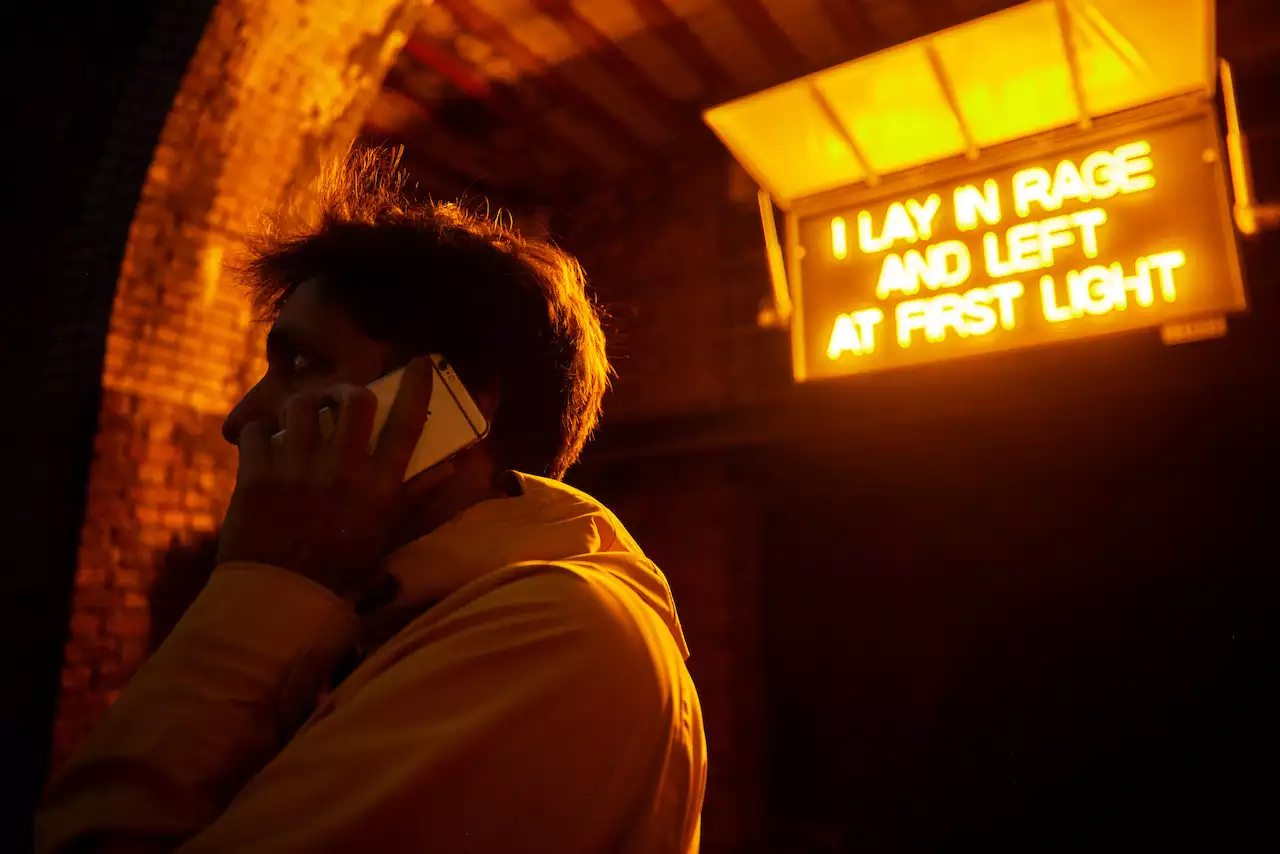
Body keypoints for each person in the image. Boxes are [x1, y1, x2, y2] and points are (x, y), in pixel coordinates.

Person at [36, 151, 706, 853]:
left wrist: (264, 583)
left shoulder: (558, 631)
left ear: (448, 410)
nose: (242, 419)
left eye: (301, 363)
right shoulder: (399, 623)